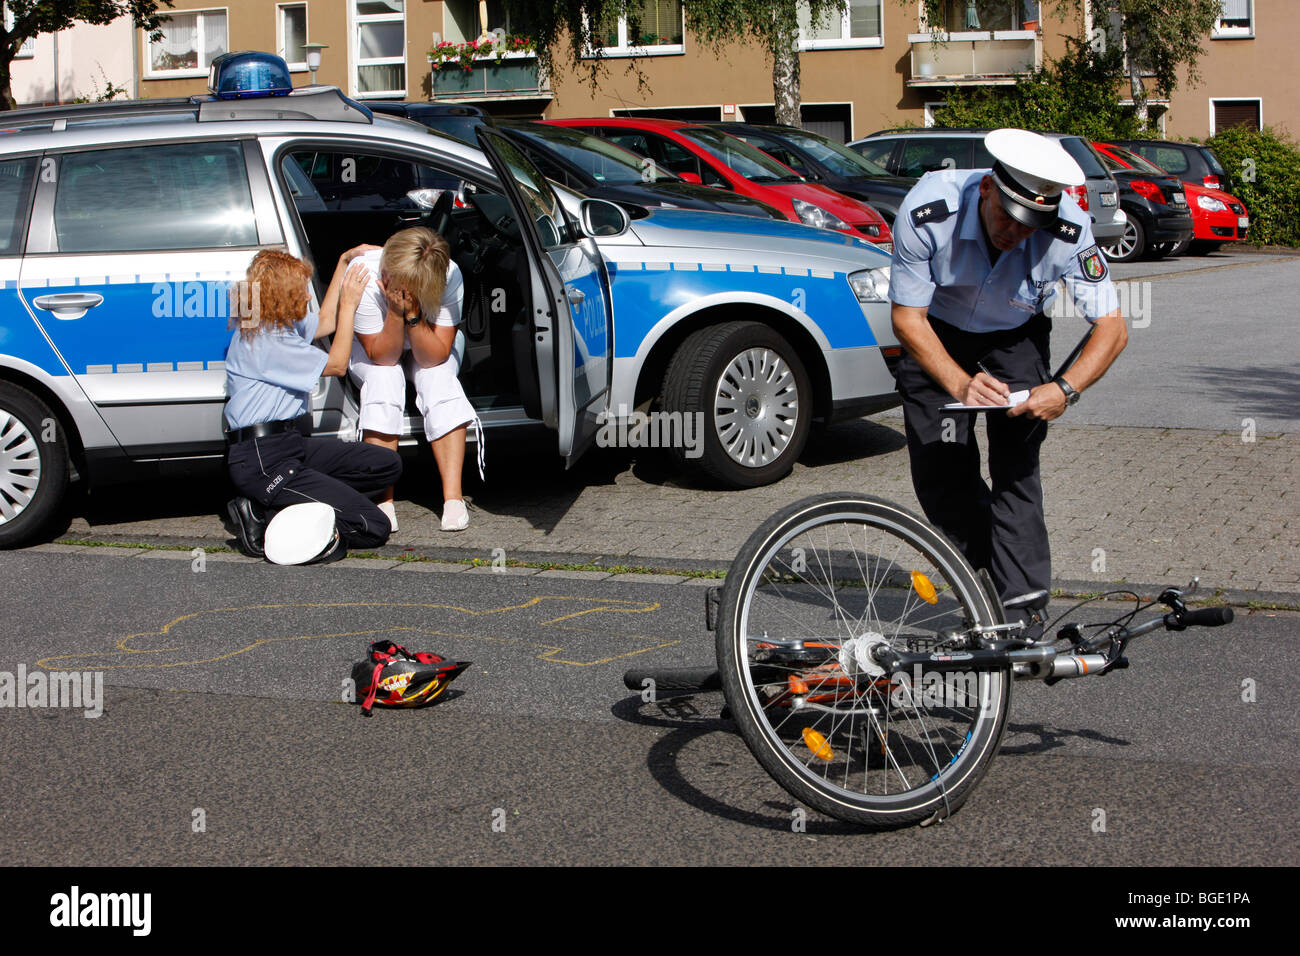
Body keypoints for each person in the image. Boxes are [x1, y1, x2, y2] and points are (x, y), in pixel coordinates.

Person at [888, 128, 1128, 633]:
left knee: (1016, 469)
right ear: (987, 190)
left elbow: (1112, 326)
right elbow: (907, 319)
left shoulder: (1069, 229)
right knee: (942, 471)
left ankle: (1023, 608)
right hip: (938, 334)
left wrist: (1064, 390)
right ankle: (980, 582)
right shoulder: (930, 208)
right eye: (1008, 219)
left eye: (1030, 227)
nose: (1015, 234)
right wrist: (958, 384)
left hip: (1015, 339)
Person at [223, 247, 402, 562]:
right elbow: (336, 365)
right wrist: (350, 304)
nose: (307, 297)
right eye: (301, 291)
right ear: (279, 293)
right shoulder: (266, 340)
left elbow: (324, 323)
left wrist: (343, 263)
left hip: (287, 445)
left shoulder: (270, 323)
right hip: (263, 460)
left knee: (386, 464)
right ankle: (263, 515)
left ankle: (296, 498)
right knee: (373, 526)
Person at [346, 227, 483, 533]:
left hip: (426, 339)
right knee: (384, 377)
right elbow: (382, 356)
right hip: (378, 347)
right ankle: (383, 500)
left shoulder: (449, 274)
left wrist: (413, 316)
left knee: (438, 378)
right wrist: (395, 313)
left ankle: (453, 498)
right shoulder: (365, 275)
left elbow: (433, 356)